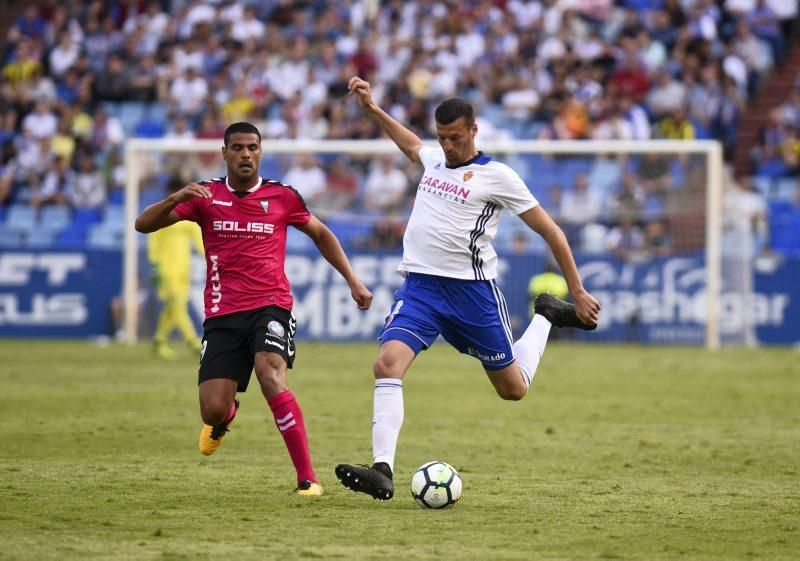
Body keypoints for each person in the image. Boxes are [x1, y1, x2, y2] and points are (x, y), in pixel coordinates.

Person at [335, 77, 601, 500]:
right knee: (387, 365)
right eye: (441, 138)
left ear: (474, 131)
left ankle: (547, 314)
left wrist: (578, 290)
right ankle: (382, 470)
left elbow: (552, 231)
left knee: (512, 389)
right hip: (421, 289)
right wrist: (372, 109)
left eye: (455, 138)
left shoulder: (498, 176)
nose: (447, 146)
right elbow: (410, 145)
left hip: (471, 296)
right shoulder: (435, 161)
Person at [135, 122, 373, 496]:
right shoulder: (204, 196)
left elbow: (322, 234)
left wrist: (353, 280)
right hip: (222, 314)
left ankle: (307, 479)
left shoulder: (283, 197)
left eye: (252, 148)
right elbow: (142, 224)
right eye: (238, 148)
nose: (246, 154)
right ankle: (226, 415)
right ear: (225, 153)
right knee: (211, 410)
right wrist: (176, 197)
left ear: (261, 152)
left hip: (271, 306)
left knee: (270, 374)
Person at [148, 175, 205, 359]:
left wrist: (215, 256)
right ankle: (193, 341)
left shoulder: (188, 214)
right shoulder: (162, 211)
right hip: (166, 268)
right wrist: (155, 264)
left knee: (173, 307)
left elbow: (200, 240)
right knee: (177, 305)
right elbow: (153, 239)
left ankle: (159, 341)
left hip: (183, 269)